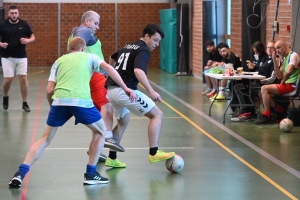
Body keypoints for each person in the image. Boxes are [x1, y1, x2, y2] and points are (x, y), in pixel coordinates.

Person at [8, 37, 136, 187]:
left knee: (44, 139)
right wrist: (126, 88)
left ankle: (20, 173)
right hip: (81, 101)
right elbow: (108, 68)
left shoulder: (59, 61)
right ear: (83, 48)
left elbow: (49, 90)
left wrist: (52, 106)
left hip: (59, 101)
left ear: (70, 48)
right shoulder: (90, 56)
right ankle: (90, 174)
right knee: (101, 132)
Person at [105, 23, 175, 166]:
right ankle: (154, 153)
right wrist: (152, 91)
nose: (156, 44)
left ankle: (111, 158)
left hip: (111, 90)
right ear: (147, 36)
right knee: (157, 115)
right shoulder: (143, 50)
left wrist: (111, 73)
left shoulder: (128, 46)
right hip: (124, 91)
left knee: (123, 122)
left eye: (159, 42)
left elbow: (111, 57)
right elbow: (138, 71)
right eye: (155, 40)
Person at [68, 10, 124, 164]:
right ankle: (108, 137)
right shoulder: (84, 30)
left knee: (97, 116)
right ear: (87, 21)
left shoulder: (76, 33)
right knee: (107, 107)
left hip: (87, 77)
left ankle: (96, 149)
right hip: (95, 75)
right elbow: (80, 36)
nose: (97, 27)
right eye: (95, 23)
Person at [254, 40, 300, 125]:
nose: (277, 50)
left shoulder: (293, 55)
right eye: (275, 48)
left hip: (292, 86)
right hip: (286, 84)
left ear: (285, 47)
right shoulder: (284, 58)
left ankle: (266, 115)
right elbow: (279, 76)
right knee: (261, 92)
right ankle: (279, 109)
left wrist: (282, 82)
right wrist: (274, 60)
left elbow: (289, 71)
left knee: (264, 88)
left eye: (278, 48)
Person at [0, 6, 35, 112]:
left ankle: (25, 103)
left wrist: (27, 41)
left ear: (18, 13)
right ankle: (5, 96)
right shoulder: (3, 24)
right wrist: (1, 44)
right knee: (8, 80)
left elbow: (33, 37)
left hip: (21, 56)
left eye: (16, 13)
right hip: (7, 57)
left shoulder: (24, 24)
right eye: (12, 13)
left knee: (23, 79)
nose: (14, 15)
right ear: (8, 14)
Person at [230, 41, 276, 122]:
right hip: (258, 81)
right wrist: (253, 67)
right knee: (233, 84)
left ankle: (245, 110)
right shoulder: (264, 58)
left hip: (263, 83)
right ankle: (241, 108)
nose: (269, 49)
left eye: (271, 47)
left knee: (238, 86)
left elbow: (272, 76)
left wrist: (261, 79)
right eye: (268, 47)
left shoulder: (272, 60)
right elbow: (260, 70)